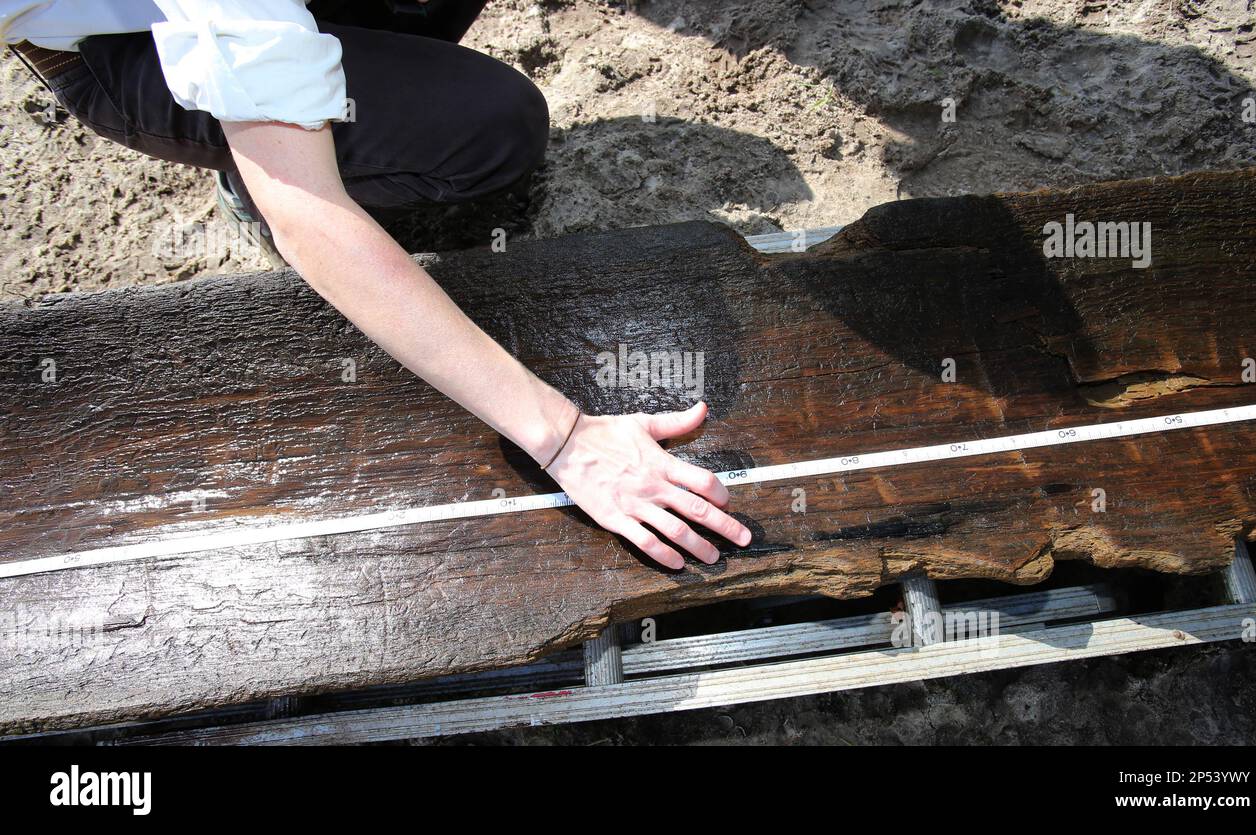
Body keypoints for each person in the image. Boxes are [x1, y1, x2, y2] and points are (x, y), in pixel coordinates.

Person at [2, 0, 752, 570]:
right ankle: (253, 158)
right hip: (116, 46)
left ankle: (327, 92)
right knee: (492, 126)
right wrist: (562, 439)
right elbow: (311, 217)